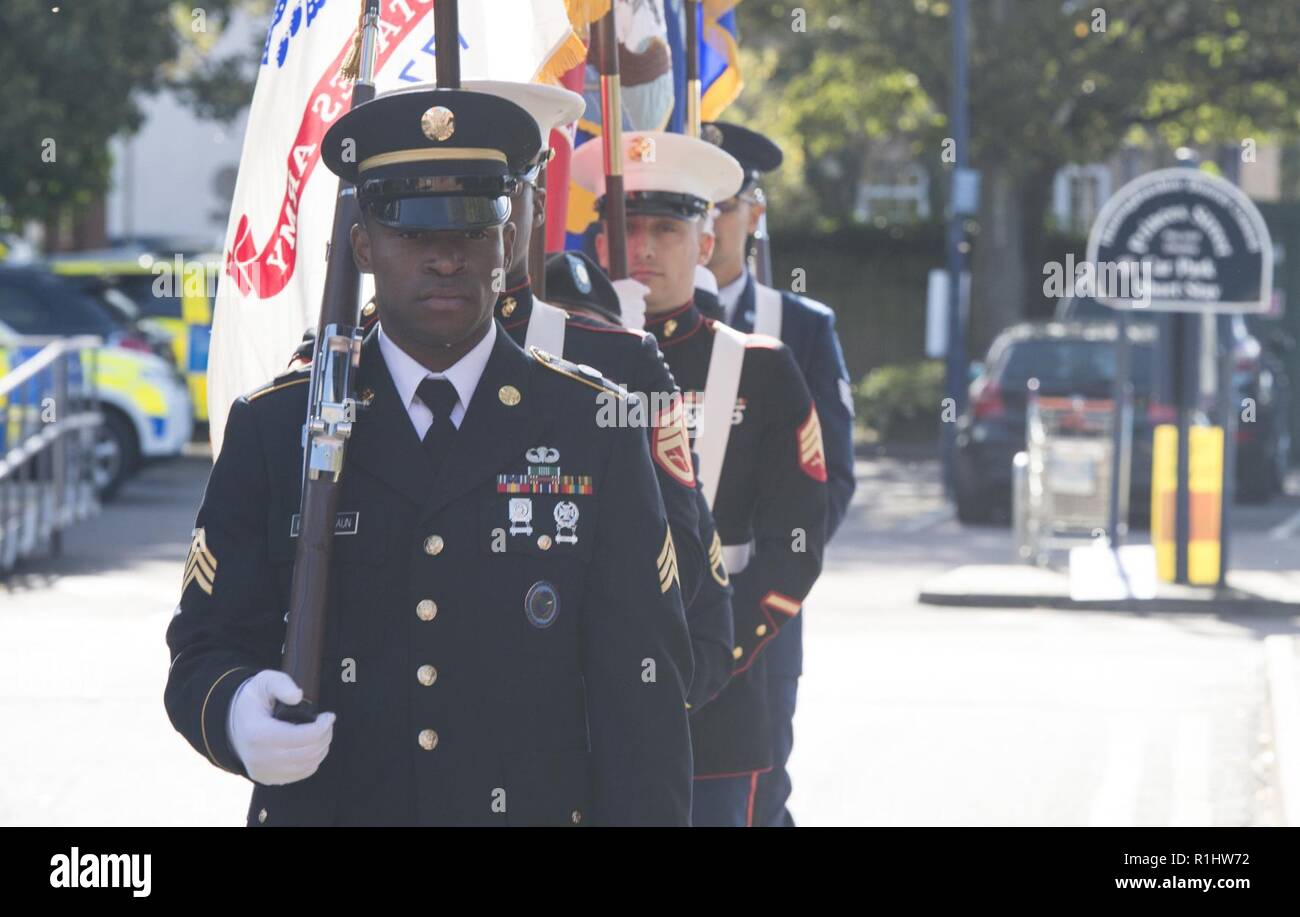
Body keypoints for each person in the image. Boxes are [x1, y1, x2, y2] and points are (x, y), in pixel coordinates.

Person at [164, 86, 694, 826]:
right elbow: (203, 648)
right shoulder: (276, 426)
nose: (445, 257)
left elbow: (644, 696)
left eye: (472, 228)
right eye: (413, 232)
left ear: (507, 241)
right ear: (363, 245)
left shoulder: (592, 424)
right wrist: (235, 711)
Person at [573, 130, 828, 826]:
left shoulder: (762, 368)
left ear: (706, 242)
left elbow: (795, 541)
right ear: (600, 246)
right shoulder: (557, 362)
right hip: (585, 704)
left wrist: (716, 656)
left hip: (714, 699)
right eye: (627, 229)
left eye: (667, 228)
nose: (646, 248)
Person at [703, 121, 858, 827]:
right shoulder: (624, 318)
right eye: (691, 207)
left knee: (757, 801)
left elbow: (830, 480)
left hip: (756, 616)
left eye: (723, 206)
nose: (708, 226)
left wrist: (765, 585)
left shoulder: (798, 325)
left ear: (753, 215)